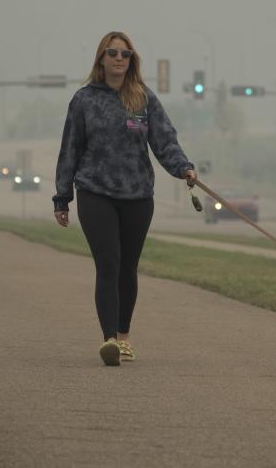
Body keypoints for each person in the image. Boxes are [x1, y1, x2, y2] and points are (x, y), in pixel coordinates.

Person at [53, 31, 197, 366]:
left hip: (137, 195)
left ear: (132, 61)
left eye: (126, 54)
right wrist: (62, 198)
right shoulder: (84, 100)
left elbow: (165, 142)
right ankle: (109, 342)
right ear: (101, 59)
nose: (119, 58)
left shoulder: (143, 99)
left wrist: (184, 169)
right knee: (108, 263)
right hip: (94, 191)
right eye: (113, 53)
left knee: (127, 268)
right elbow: (69, 150)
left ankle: (124, 336)